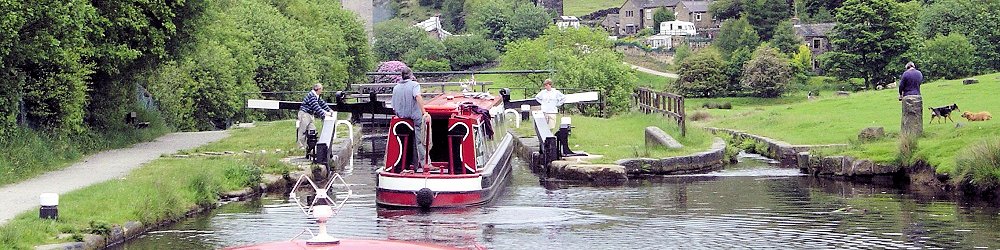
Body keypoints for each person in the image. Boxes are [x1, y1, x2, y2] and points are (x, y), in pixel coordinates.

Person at [391, 67, 432, 169]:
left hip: (401, 118)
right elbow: (417, 97)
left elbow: (393, 106)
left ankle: (402, 163)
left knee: (405, 138)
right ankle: (425, 163)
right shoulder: (415, 85)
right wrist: (424, 113)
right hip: (414, 116)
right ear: (411, 75)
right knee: (420, 139)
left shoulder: (396, 88)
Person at [298, 83, 333, 149]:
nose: (322, 91)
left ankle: (310, 146)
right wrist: (324, 114)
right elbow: (316, 107)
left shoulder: (316, 96)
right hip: (305, 114)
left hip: (310, 115)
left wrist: (329, 110)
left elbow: (322, 104)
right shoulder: (312, 96)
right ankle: (300, 146)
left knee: (312, 130)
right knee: (302, 130)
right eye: (321, 89)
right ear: (318, 89)